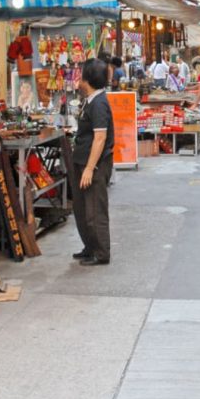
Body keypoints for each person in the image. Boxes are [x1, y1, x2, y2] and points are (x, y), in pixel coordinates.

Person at [71, 58, 114, 266]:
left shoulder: (99, 103)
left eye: (80, 75)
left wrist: (89, 168)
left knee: (94, 210)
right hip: (82, 160)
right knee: (81, 208)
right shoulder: (90, 100)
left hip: (95, 164)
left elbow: (100, 138)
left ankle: (101, 252)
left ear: (88, 78)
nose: (78, 79)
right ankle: (90, 247)